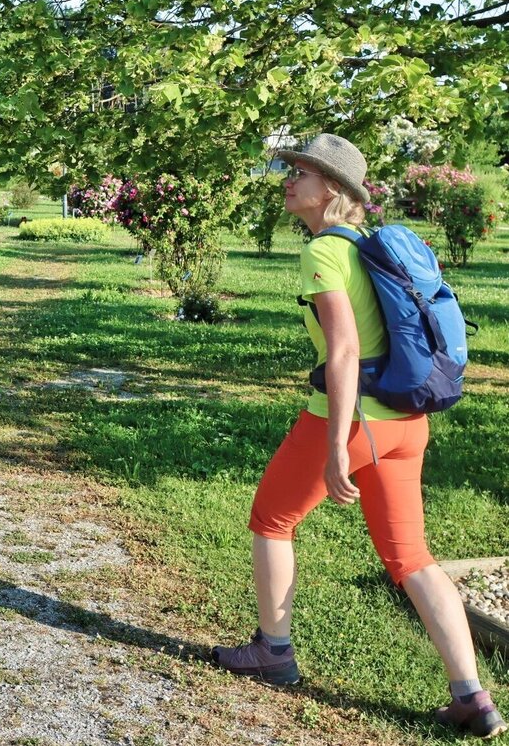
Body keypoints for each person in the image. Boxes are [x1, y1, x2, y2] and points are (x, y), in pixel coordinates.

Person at [211, 133, 506, 740]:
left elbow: (344, 351)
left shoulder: (324, 253)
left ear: (335, 190)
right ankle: (471, 695)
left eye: (304, 173)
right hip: (407, 424)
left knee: (271, 519)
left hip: (348, 423)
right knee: (412, 558)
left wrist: (335, 443)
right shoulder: (367, 248)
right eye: (289, 169)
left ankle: (273, 649)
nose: (289, 180)